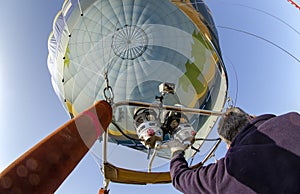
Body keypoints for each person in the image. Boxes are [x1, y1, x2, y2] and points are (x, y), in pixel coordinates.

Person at [170, 107, 300, 194]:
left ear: (228, 145)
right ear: (251, 117)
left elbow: (181, 178)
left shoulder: (229, 171)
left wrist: (177, 151)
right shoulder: (293, 119)